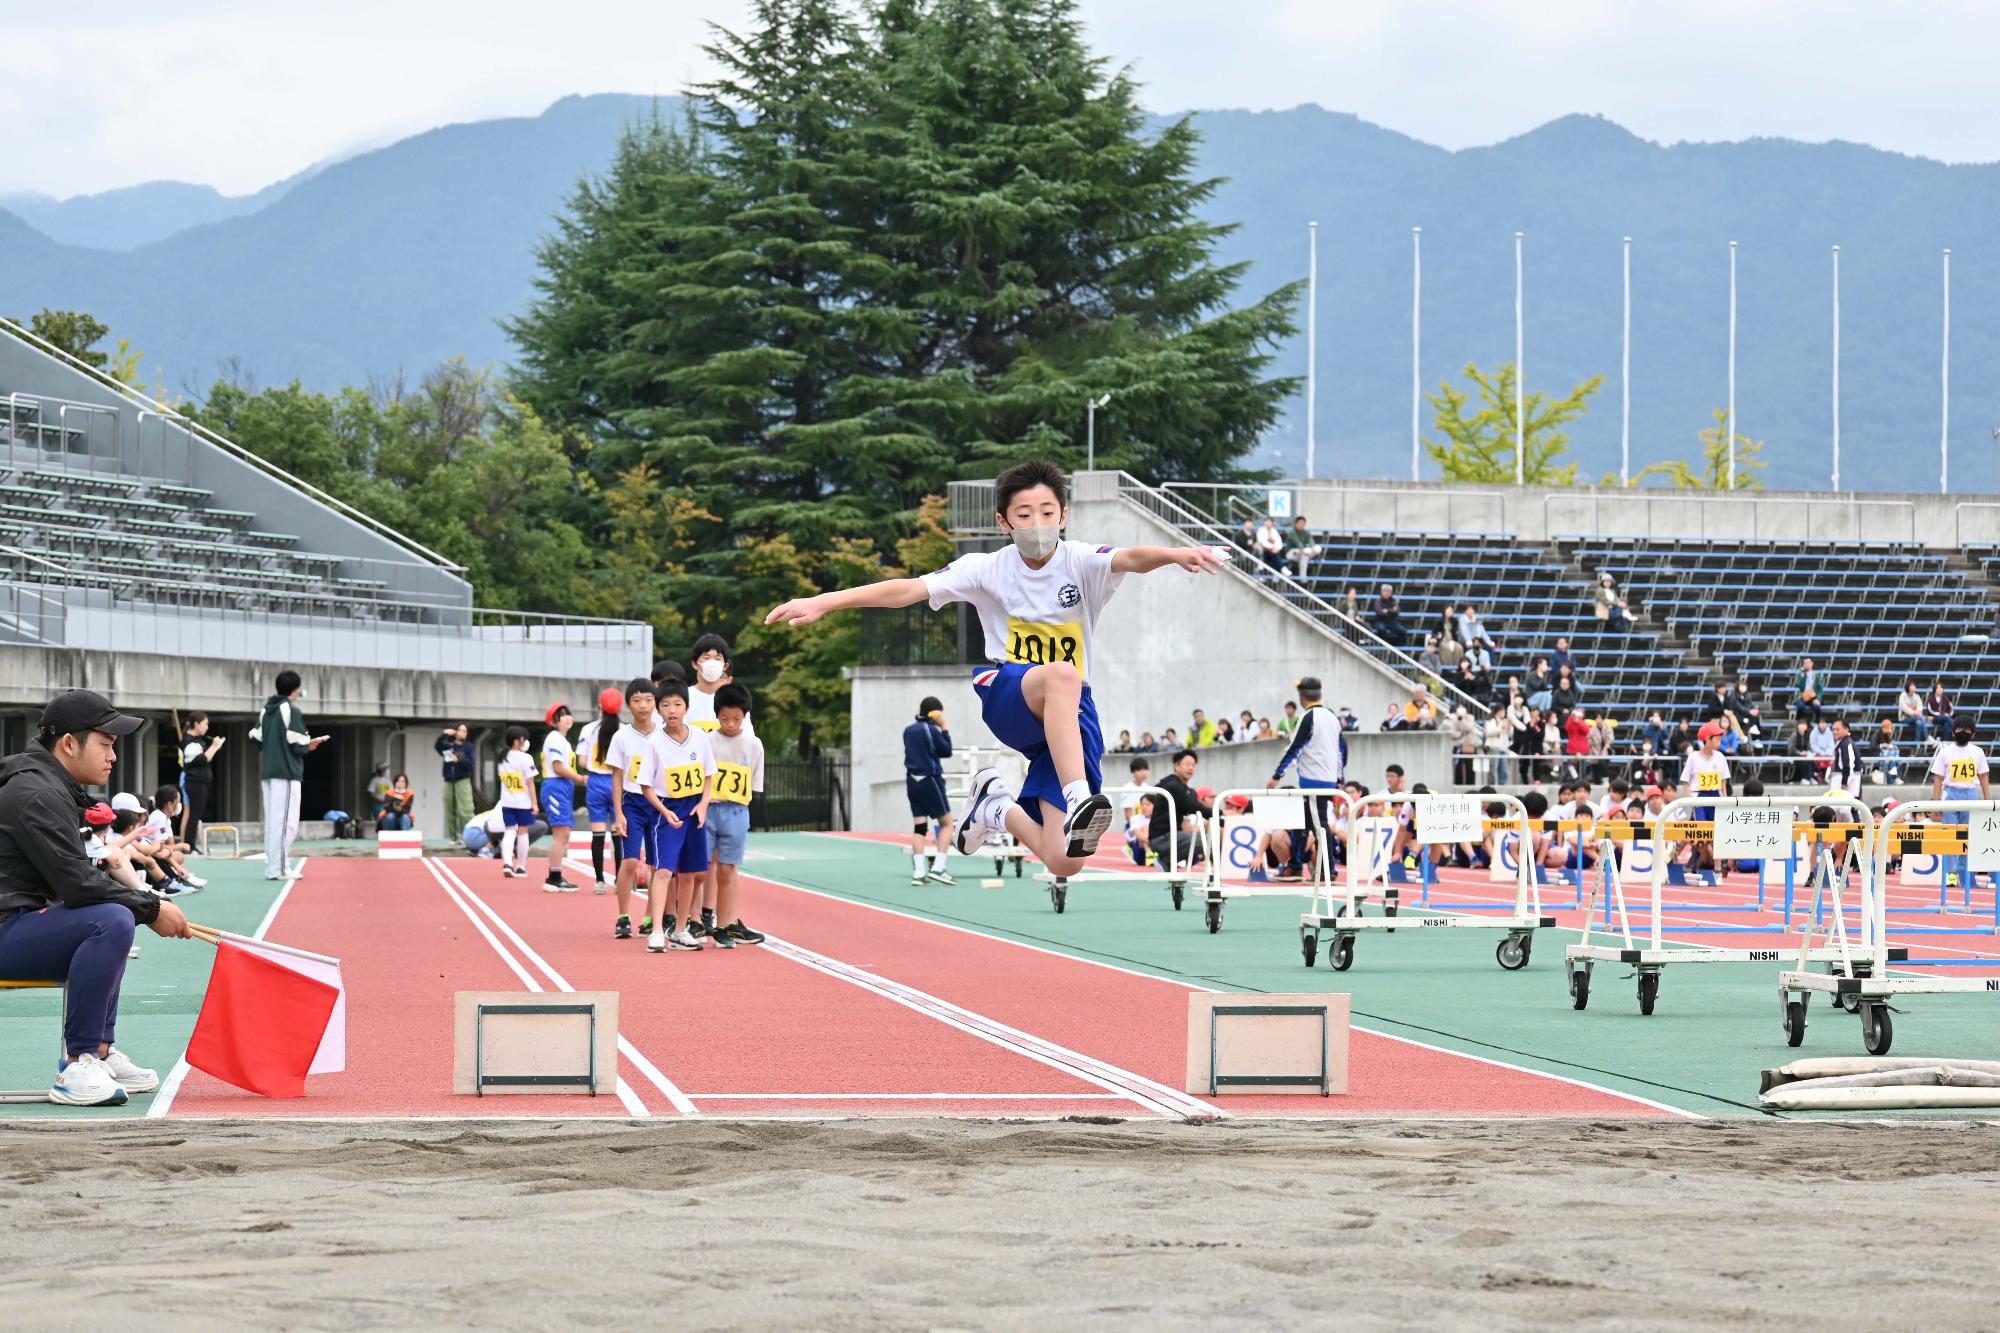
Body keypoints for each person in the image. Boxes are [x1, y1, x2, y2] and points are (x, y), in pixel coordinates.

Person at [764, 458, 1227, 880]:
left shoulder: (1081, 561)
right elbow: (908, 589)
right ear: (1003, 522)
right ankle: (1077, 796)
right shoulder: (985, 568)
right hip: (1009, 692)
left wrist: (1174, 554)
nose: (1038, 524)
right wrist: (825, 601)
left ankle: (997, 809)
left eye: (1048, 512)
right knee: (1060, 673)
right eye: (1024, 515)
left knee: (1066, 860)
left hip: (1069, 714)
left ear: (1063, 516)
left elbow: (1130, 558)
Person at [0, 689, 193, 1106]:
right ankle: (79, 1060)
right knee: (111, 920)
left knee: (110, 917)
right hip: (6, 927)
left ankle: (99, 1051)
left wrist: (144, 902)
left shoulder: (49, 785)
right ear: (69, 743)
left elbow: (77, 880)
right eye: (105, 744)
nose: (113, 756)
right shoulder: (36, 793)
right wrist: (152, 906)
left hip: (16, 922)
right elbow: (77, 884)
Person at [646, 678, 715, 953]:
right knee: (664, 871)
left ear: (686, 707)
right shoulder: (654, 743)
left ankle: (680, 930)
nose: (671, 710)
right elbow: (645, 787)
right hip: (666, 810)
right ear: (658, 710)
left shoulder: (699, 736)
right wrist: (664, 811)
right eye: (665, 705)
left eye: (677, 704)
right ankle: (656, 931)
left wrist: (703, 804)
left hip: (694, 809)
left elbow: (709, 774)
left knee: (689, 874)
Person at [703, 683, 767, 947]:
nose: (730, 724)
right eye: (724, 719)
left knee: (728, 869)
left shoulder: (753, 744)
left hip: (737, 810)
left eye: (736, 719)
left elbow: (754, 784)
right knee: (701, 868)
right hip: (707, 810)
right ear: (716, 715)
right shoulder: (706, 741)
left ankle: (725, 925)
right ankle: (695, 922)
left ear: (745, 717)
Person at [605, 678, 664, 941]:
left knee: (655, 864)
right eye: (637, 700)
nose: (643, 706)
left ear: (656, 703)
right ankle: (623, 915)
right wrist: (618, 813)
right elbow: (617, 777)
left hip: (659, 804)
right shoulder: (621, 736)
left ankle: (651, 916)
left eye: (649, 700)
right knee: (629, 861)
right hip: (633, 803)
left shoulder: (664, 732)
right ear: (628, 705)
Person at [252, 669, 323, 881]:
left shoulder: (266, 710)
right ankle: (279, 869)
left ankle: (274, 866)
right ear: (295, 689)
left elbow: (256, 738)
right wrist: (310, 745)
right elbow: (298, 742)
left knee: (274, 822)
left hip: (269, 773)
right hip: (287, 773)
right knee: (287, 824)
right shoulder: (290, 710)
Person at [575, 688, 625, 892]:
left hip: (595, 782)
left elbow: (582, 761)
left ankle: (599, 881)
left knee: (597, 833)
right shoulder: (624, 730)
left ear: (600, 706)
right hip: (617, 782)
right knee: (618, 832)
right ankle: (619, 881)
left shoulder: (588, 730)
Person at [1931, 720, 1990, 889]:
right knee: (1949, 837)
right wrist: (1936, 804)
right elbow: (1938, 779)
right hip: (1950, 794)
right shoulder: (1945, 752)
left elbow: (1984, 777)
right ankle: (1951, 875)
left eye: (1966, 729)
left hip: (1971, 794)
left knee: (1968, 838)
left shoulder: (1977, 752)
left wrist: (1987, 802)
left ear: (1973, 733)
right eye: (1959, 729)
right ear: (1952, 732)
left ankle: (1966, 876)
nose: (1962, 732)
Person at [903, 695, 955, 885]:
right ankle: (939, 868)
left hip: (912, 781)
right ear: (935, 713)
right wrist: (944, 727)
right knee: (947, 824)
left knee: (920, 827)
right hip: (930, 779)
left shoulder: (908, 730)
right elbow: (946, 750)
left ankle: (918, 872)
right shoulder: (932, 729)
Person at [1682, 721, 1731, 875]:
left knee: (1717, 833)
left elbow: (1724, 783)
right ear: (1707, 739)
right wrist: (1692, 799)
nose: (1719, 742)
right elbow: (1685, 781)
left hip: (1715, 797)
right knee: (1702, 833)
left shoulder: (1720, 757)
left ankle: (1718, 866)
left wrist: (1725, 800)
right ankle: (1696, 860)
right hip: (1700, 798)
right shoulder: (1694, 757)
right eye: (1717, 739)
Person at [539, 704, 579, 893]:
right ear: (554, 721)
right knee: (560, 834)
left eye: (568, 714)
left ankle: (556, 875)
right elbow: (557, 767)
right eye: (562, 716)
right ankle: (553, 878)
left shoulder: (562, 740)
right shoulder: (555, 738)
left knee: (564, 834)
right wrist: (580, 778)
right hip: (556, 786)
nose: (567, 718)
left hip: (562, 787)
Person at [687, 633, 757, 737]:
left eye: (717, 658)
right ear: (695, 663)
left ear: (725, 666)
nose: (711, 663)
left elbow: (748, 742)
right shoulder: (682, 697)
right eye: (706, 658)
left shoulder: (736, 699)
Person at [1148, 749, 1210, 867]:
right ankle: (1166, 860)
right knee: (1205, 841)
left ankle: (1167, 860)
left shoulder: (1184, 788)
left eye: (1193, 765)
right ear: (1176, 766)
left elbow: (1192, 805)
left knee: (1205, 839)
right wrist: (1220, 814)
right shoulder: (1173, 786)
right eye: (1187, 764)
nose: (1191, 768)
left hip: (1172, 836)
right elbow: (1194, 807)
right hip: (1162, 838)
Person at [496, 726, 540, 880]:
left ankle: (507, 863)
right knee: (523, 833)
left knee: (509, 831)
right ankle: (521, 866)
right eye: (524, 739)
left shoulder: (502, 757)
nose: (525, 742)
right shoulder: (526, 758)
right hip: (523, 802)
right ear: (517, 741)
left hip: (507, 801)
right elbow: (530, 782)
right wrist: (535, 803)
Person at [176, 711, 223, 853]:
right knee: (192, 814)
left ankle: (190, 845)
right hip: (194, 782)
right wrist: (214, 747)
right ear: (196, 724)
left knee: (195, 814)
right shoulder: (189, 741)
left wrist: (214, 747)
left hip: (199, 782)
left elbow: (204, 759)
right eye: (205, 724)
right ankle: (189, 845)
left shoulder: (198, 740)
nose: (207, 727)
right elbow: (200, 760)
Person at [435, 723, 477, 839]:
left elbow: (471, 763)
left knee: (465, 810)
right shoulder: (449, 745)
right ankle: (454, 838)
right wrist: (445, 735)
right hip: (449, 779)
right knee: (450, 809)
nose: (462, 733)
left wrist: (458, 760)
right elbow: (438, 747)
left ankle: (472, 836)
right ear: (456, 731)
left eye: (465, 731)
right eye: (460, 730)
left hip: (463, 779)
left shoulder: (469, 747)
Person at [1828, 718, 1861, 799]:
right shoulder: (1843, 743)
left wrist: (1845, 782)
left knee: (1848, 809)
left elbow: (1849, 765)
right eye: (1833, 729)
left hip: (1846, 785)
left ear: (1846, 729)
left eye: (1838, 729)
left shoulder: (1846, 744)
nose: (1835, 732)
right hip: (1844, 782)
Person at [1793, 658, 1825, 724]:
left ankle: (1817, 721)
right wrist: (1802, 675)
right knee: (1800, 707)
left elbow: (1820, 689)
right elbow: (1799, 685)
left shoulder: (1816, 675)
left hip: (1813, 696)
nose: (1805, 665)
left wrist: (1818, 699)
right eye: (1804, 663)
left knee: (1817, 707)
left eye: (1807, 663)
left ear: (1812, 664)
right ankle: (1798, 721)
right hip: (1803, 696)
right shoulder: (1800, 675)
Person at [1897, 679, 1927, 744]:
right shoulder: (1903, 695)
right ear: (1908, 687)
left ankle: (1917, 742)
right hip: (1904, 718)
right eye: (1912, 686)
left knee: (1919, 722)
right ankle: (1926, 737)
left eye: (1914, 686)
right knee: (1921, 717)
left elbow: (1920, 706)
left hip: (1915, 717)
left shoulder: (1916, 696)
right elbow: (1904, 707)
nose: (1914, 687)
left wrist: (1917, 711)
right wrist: (1913, 712)